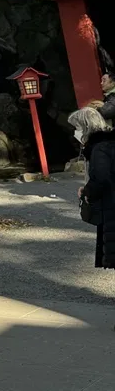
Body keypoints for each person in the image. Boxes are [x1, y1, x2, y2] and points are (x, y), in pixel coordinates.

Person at [70, 106, 115, 309]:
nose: (75, 132)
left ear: (85, 127)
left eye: (77, 127)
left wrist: (87, 191)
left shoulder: (99, 149)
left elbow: (102, 178)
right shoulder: (109, 143)